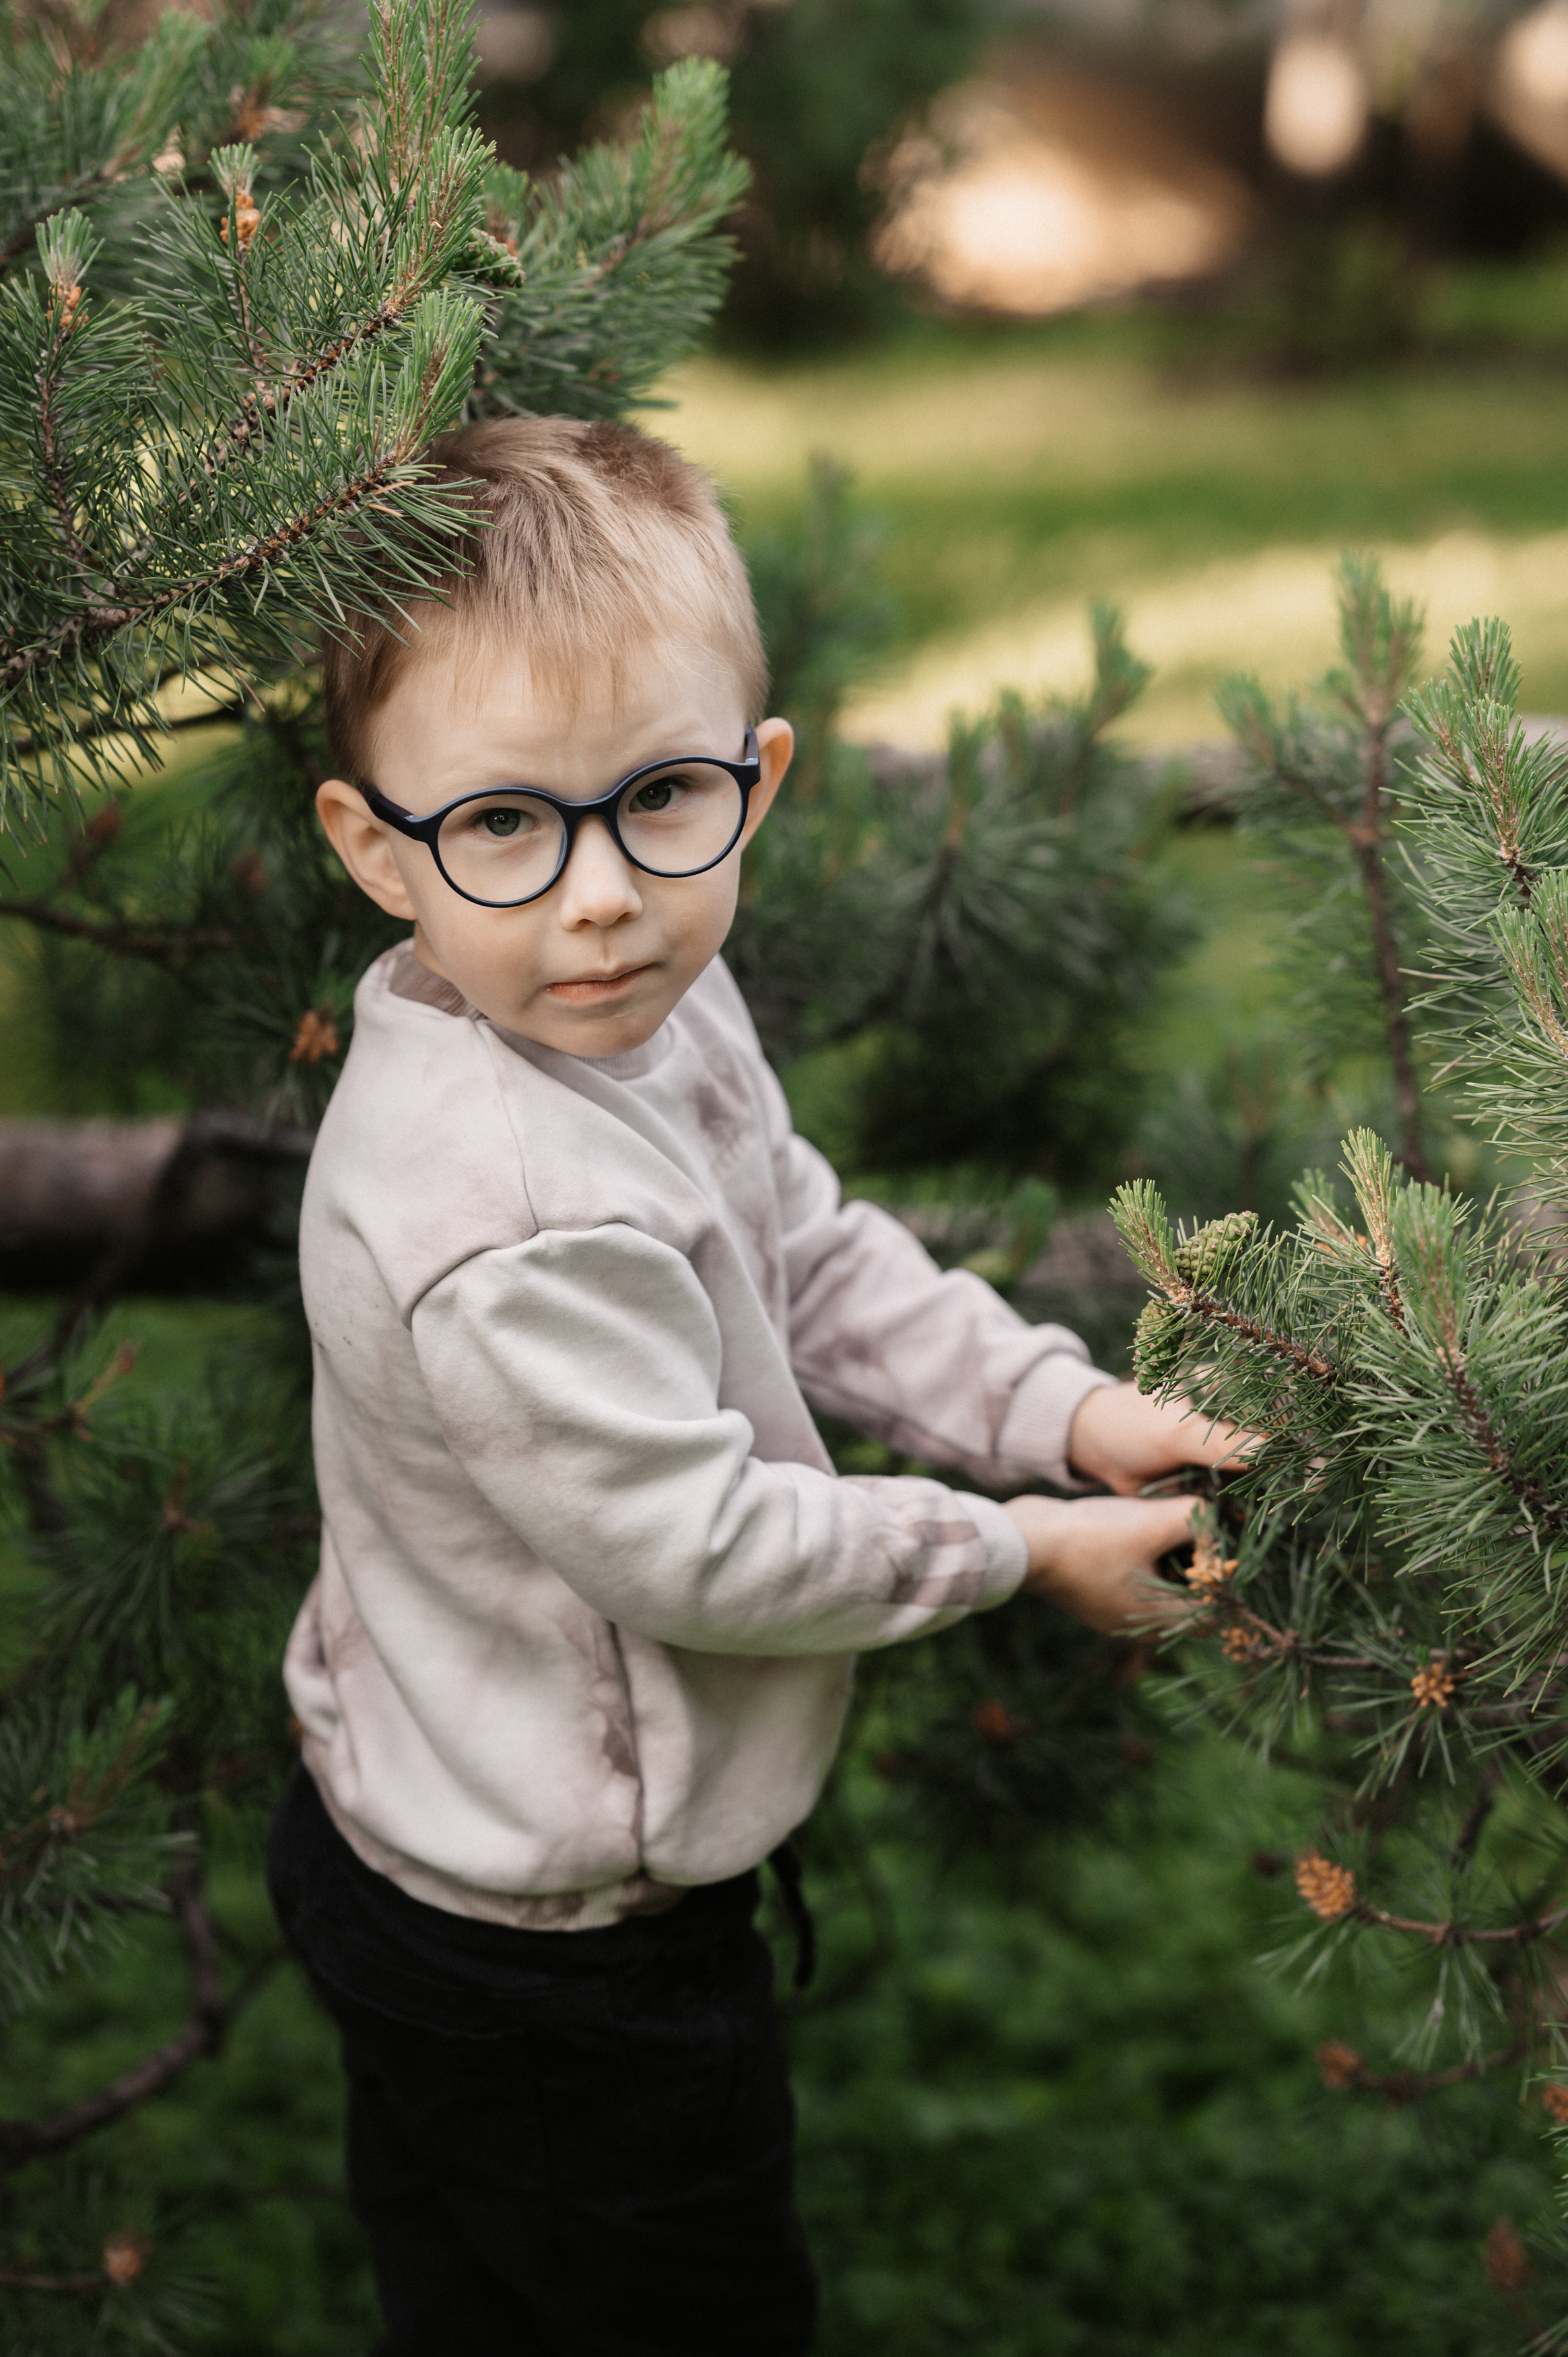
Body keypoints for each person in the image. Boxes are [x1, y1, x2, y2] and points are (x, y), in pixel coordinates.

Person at [267, 414, 1239, 2357]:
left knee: (489, 2302)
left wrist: (1053, 1405)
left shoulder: (630, 998)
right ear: (376, 845)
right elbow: (697, 1548)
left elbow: (793, 1240)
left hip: (474, 1812)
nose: (603, 892)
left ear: (756, 776)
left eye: (659, 799)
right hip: (540, 1941)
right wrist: (1016, 1549)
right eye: (504, 824)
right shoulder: (501, 1206)